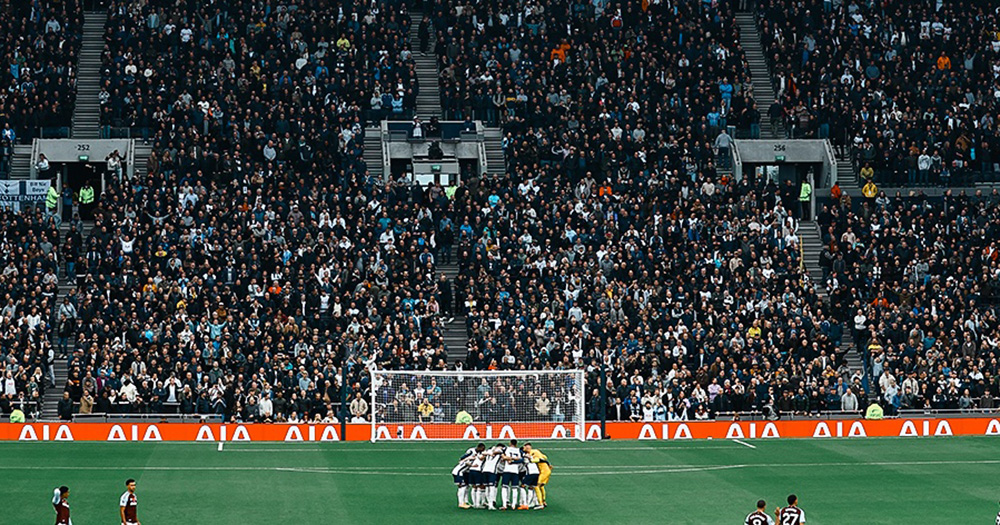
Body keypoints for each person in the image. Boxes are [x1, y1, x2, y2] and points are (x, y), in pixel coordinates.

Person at [524, 443, 551, 508]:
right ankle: (543, 501)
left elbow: (536, 460)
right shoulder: (537, 451)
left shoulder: (533, 453)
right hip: (546, 470)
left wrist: (530, 458)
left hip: (544, 471)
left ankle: (540, 504)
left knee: (536, 486)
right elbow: (544, 457)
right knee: (541, 486)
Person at [500, 438, 523, 510]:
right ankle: (513, 505)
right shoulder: (519, 450)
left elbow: (503, 457)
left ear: (510, 443)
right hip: (515, 471)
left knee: (504, 487)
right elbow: (520, 459)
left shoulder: (506, 448)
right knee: (515, 488)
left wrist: (508, 458)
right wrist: (515, 458)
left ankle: (504, 505)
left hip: (507, 470)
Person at [481, 443, 504, 510]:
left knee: (490, 488)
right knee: (489, 488)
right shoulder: (490, 451)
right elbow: (483, 453)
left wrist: (491, 452)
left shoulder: (497, 451)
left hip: (490, 471)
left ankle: (490, 503)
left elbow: (496, 452)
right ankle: (490, 503)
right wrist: (491, 452)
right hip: (489, 471)